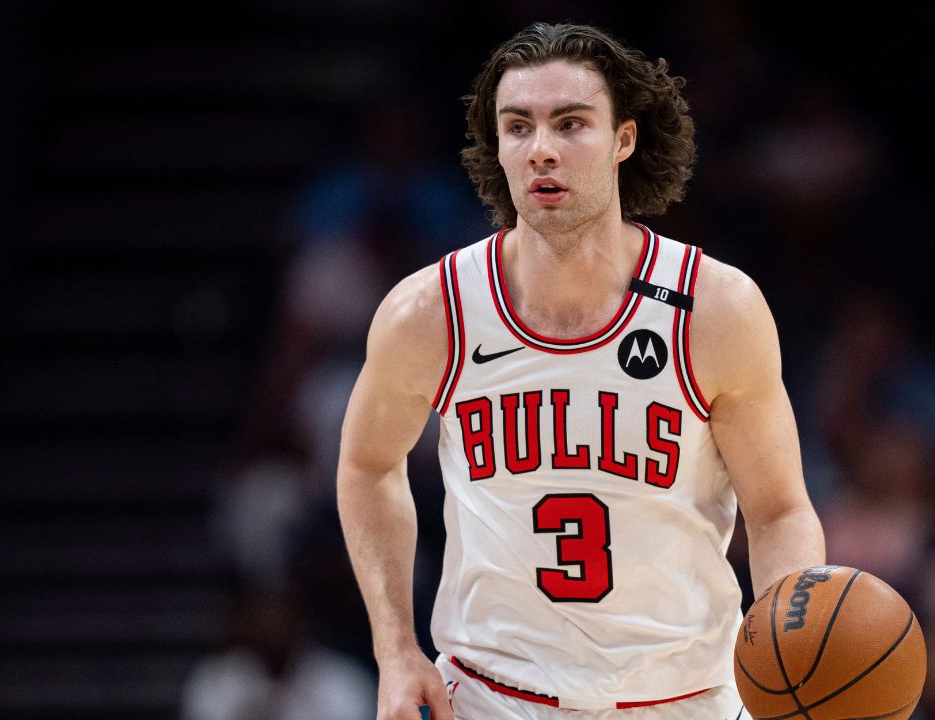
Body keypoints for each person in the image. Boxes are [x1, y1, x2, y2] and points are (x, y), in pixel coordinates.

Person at [336, 22, 825, 720]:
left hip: (686, 697)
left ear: (624, 139)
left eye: (570, 124)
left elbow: (778, 509)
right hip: (493, 698)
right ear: (497, 147)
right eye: (518, 127)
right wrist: (395, 650)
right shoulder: (429, 313)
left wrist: (794, 652)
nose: (541, 149)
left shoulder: (715, 309)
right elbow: (366, 465)